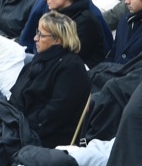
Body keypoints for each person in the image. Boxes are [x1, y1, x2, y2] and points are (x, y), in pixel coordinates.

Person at [10, 11, 90, 148]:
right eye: (37, 32)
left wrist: (21, 127)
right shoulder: (38, 61)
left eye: (41, 35)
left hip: (43, 138)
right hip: (20, 127)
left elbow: (55, 113)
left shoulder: (71, 68)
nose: (35, 38)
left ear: (57, 40)